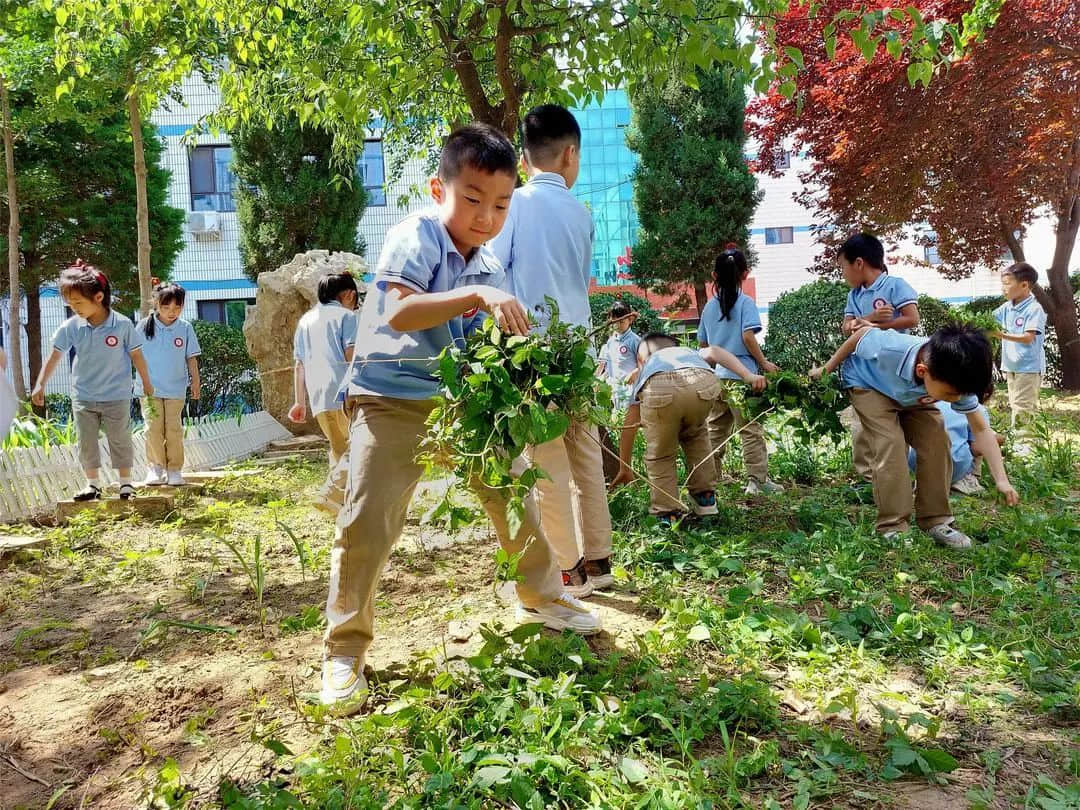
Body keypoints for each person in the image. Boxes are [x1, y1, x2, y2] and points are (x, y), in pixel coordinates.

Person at [320, 123, 600, 714]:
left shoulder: (491, 259)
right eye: (472, 198)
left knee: (513, 494)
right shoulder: (414, 236)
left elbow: (482, 341)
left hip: (460, 402)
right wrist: (480, 299)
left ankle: (542, 596)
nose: (486, 216)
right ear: (438, 188)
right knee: (369, 521)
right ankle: (344, 651)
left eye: (501, 204)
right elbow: (397, 310)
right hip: (390, 397)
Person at [489, 104, 613, 598]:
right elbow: (580, 283)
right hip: (579, 350)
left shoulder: (514, 205)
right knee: (586, 454)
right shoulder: (582, 213)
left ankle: (570, 569)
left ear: (523, 158)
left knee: (548, 461)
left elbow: (496, 271)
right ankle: (601, 560)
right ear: (570, 154)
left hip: (534, 351)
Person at [810, 324, 1019, 548]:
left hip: (912, 397)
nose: (957, 398)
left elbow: (982, 431)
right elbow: (861, 335)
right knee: (891, 443)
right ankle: (893, 526)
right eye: (951, 394)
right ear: (922, 371)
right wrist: (827, 368)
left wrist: (1002, 480)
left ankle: (936, 520)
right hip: (869, 385)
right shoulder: (891, 349)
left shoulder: (955, 380)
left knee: (938, 439)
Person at [611, 332, 765, 524]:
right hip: (702, 381)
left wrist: (624, 467)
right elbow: (715, 351)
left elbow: (630, 425)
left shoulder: (648, 369)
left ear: (643, 359)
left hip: (661, 389)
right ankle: (705, 498)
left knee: (661, 454)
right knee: (698, 437)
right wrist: (747, 375)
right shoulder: (689, 352)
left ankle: (667, 513)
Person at [31, 261, 154, 501]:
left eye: (78, 302)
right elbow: (55, 355)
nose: (73, 308)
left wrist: (146, 383)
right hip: (83, 395)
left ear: (98, 297)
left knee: (119, 439)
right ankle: (92, 485)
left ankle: (125, 484)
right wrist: (40, 383)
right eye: (70, 303)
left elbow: (137, 354)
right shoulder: (71, 326)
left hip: (116, 395)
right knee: (86, 442)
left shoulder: (122, 324)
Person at [698, 247, 784, 495]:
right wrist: (764, 362)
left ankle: (709, 479)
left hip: (718, 380)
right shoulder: (746, 303)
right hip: (743, 377)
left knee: (715, 430)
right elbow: (748, 336)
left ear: (714, 276)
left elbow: (704, 345)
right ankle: (756, 481)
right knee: (750, 429)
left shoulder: (709, 308)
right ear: (744, 274)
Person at [837, 233, 920, 481]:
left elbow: (912, 319)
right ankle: (866, 478)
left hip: (891, 369)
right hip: (862, 372)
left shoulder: (895, 285)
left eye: (843, 266)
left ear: (859, 263)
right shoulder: (854, 295)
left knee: (893, 426)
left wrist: (884, 323)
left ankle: (894, 475)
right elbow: (847, 326)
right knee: (861, 425)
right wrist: (871, 319)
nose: (843, 273)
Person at [288, 271, 360, 513]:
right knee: (360, 447)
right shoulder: (347, 317)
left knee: (340, 451)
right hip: (345, 393)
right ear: (349, 294)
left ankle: (343, 507)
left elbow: (299, 365)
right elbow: (351, 355)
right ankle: (330, 493)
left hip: (319, 398)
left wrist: (300, 403)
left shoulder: (305, 321)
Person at [136, 281, 201, 487]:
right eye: (166, 307)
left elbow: (191, 358)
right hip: (149, 390)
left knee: (173, 429)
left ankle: (174, 469)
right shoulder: (143, 327)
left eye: (177, 307)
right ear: (156, 304)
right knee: (153, 428)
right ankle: (155, 468)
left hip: (175, 390)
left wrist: (196, 383)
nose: (172, 312)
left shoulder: (185, 328)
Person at [907, 401, 1003, 496]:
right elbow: (977, 447)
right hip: (953, 466)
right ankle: (967, 478)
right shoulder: (977, 409)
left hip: (917, 463)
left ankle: (923, 481)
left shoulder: (929, 401)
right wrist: (997, 439)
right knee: (980, 439)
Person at [993, 262, 1047, 428]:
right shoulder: (1007, 307)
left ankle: (1023, 448)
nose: (1003, 288)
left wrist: (1001, 335)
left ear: (1024, 285)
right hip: (1011, 365)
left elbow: (1028, 337)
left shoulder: (1034, 308)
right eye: (1002, 284)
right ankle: (1023, 444)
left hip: (1029, 367)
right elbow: (989, 320)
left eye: (1007, 284)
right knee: (1017, 405)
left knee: (1023, 408)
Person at [597, 300, 641, 412]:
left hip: (630, 392)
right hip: (614, 391)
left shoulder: (635, 341)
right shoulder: (610, 342)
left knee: (627, 421)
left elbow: (645, 363)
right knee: (615, 421)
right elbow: (607, 366)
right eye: (615, 322)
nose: (618, 325)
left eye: (621, 321)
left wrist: (635, 372)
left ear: (630, 320)